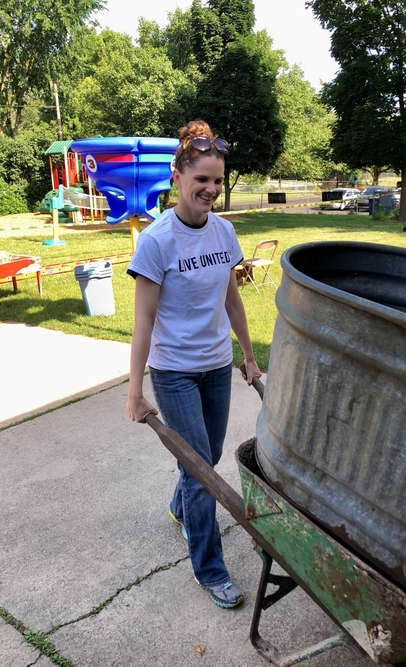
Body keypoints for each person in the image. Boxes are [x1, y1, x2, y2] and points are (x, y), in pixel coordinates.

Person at [126, 119, 261, 609]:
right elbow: (142, 322)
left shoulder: (224, 233)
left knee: (209, 454)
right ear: (177, 177)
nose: (210, 189)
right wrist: (134, 389)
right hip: (174, 371)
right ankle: (210, 569)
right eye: (201, 178)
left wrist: (247, 357)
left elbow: (232, 302)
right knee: (202, 467)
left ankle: (180, 506)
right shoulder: (158, 241)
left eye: (217, 180)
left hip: (216, 365)